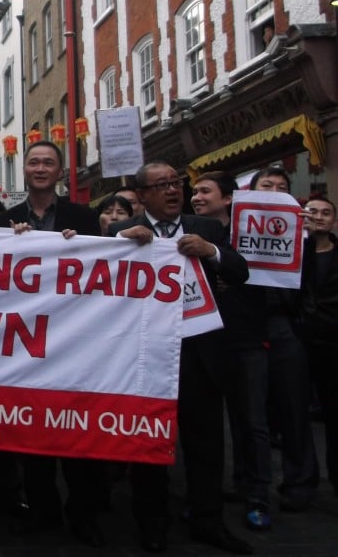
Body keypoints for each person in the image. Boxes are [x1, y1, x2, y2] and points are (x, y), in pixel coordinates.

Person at [110, 161, 251, 555]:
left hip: (200, 358)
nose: (173, 190)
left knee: (205, 446)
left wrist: (213, 253)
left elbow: (241, 271)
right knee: (149, 447)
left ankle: (209, 522)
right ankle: (152, 525)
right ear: (141, 196)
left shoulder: (206, 228)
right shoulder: (120, 232)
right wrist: (120, 239)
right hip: (146, 358)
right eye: (161, 185)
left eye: (176, 183)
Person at [0, 141, 106, 546]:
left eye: (48, 162)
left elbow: (108, 268)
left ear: (60, 171)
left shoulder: (85, 218)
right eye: (34, 162)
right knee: (33, 433)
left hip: (74, 341)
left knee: (76, 431)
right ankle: (43, 510)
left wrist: (83, 247)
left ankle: (83, 512)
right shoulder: (3, 222)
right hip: (25, 343)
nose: (40, 168)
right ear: (23, 169)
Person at [191, 171, 272, 530]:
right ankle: (206, 497)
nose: (196, 197)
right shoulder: (183, 234)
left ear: (228, 198)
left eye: (205, 191)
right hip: (203, 343)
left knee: (251, 423)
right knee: (203, 427)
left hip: (244, 339)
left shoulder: (249, 235)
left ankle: (256, 494)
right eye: (194, 191)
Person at [248, 167, 319, 511]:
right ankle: (251, 484)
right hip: (246, 327)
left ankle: (300, 482)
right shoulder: (236, 228)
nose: (275, 191)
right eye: (267, 186)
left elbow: (312, 287)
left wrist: (307, 239)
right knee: (250, 414)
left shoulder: (301, 234)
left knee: (293, 407)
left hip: (282, 324)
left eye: (282, 187)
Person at [298, 198, 338, 498]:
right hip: (301, 338)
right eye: (313, 212)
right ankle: (303, 478)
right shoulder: (297, 253)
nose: (319, 218)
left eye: (326, 213)